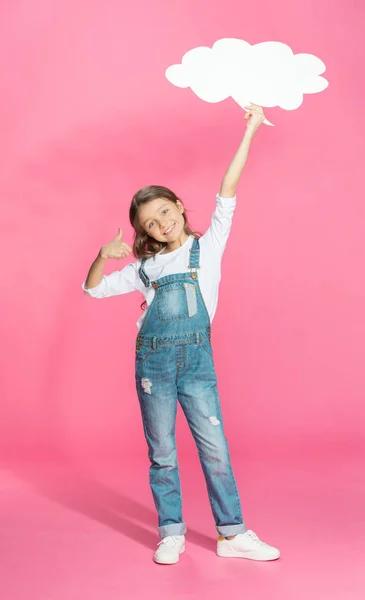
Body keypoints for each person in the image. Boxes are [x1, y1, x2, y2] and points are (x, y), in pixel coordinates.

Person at [82, 104, 280, 565]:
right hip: (152, 365)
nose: (161, 224)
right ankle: (170, 531)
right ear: (143, 232)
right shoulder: (145, 268)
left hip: (196, 362)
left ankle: (233, 534)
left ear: (178, 207)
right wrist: (102, 254)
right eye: (150, 222)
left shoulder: (206, 246)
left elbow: (228, 188)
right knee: (163, 452)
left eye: (165, 212)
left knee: (215, 449)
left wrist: (250, 129)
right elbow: (91, 291)